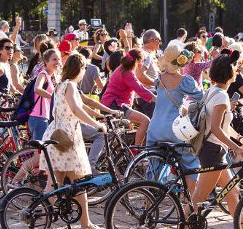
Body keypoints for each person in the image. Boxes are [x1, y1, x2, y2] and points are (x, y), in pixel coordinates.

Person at [40, 53, 106, 229]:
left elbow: (81, 105)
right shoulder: (70, 85)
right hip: (68, 138)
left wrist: (98, 114)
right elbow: (76, 108)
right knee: (79, 183)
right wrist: (96, 124)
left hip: (56, 135)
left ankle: (38, 216)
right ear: (80, 69)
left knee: (55, 183)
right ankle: (86, 223)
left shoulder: (63, 84)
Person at [188, 51, 243, 228]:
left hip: (215, 149)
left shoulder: (212, 91)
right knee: (199, 198)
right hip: (213, 150)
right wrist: (236, 148)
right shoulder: (222, 96)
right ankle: (183, 224)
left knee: (233, 191)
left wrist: (240, 139)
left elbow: (222, 125)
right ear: (230, 73)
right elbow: (216, 128)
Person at [147, 45, 203, 193]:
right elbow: (201, 97)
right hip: (174, 129)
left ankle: (147, 198)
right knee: (192, 162)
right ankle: (190, 200)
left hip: (154, 128)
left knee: (153, 165)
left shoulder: (158, 79)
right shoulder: (185, 80)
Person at [101, 48, 156, 145]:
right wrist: (157, 99)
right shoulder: (127, 72)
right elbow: (140, 89)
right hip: (114, 105)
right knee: (145, 121)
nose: (143, 63)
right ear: (137, 61)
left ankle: (122, 156)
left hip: (109, 104)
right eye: (142, 61)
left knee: (119, 140)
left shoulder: (122, 69)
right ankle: (137, 151)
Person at [134, 29, 162, 119]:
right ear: (153, 40)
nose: (160, 43)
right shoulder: (146, 55)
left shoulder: (143, 53)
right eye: (159, 40)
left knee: (147, 125)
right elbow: (139, 75)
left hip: (142, 96)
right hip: (148, 95)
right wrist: (157, 83)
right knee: (156, 124)